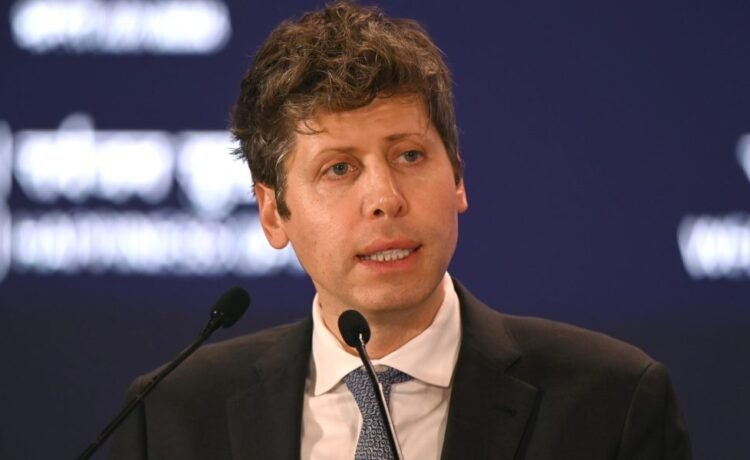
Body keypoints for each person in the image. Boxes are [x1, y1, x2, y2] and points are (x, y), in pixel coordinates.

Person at [109, 1, 692, 459]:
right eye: (339, 169)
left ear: (457, 178)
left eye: (410, 156)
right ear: (272, 212)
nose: (386, 199)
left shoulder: (611, 403)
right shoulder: (171, 417)